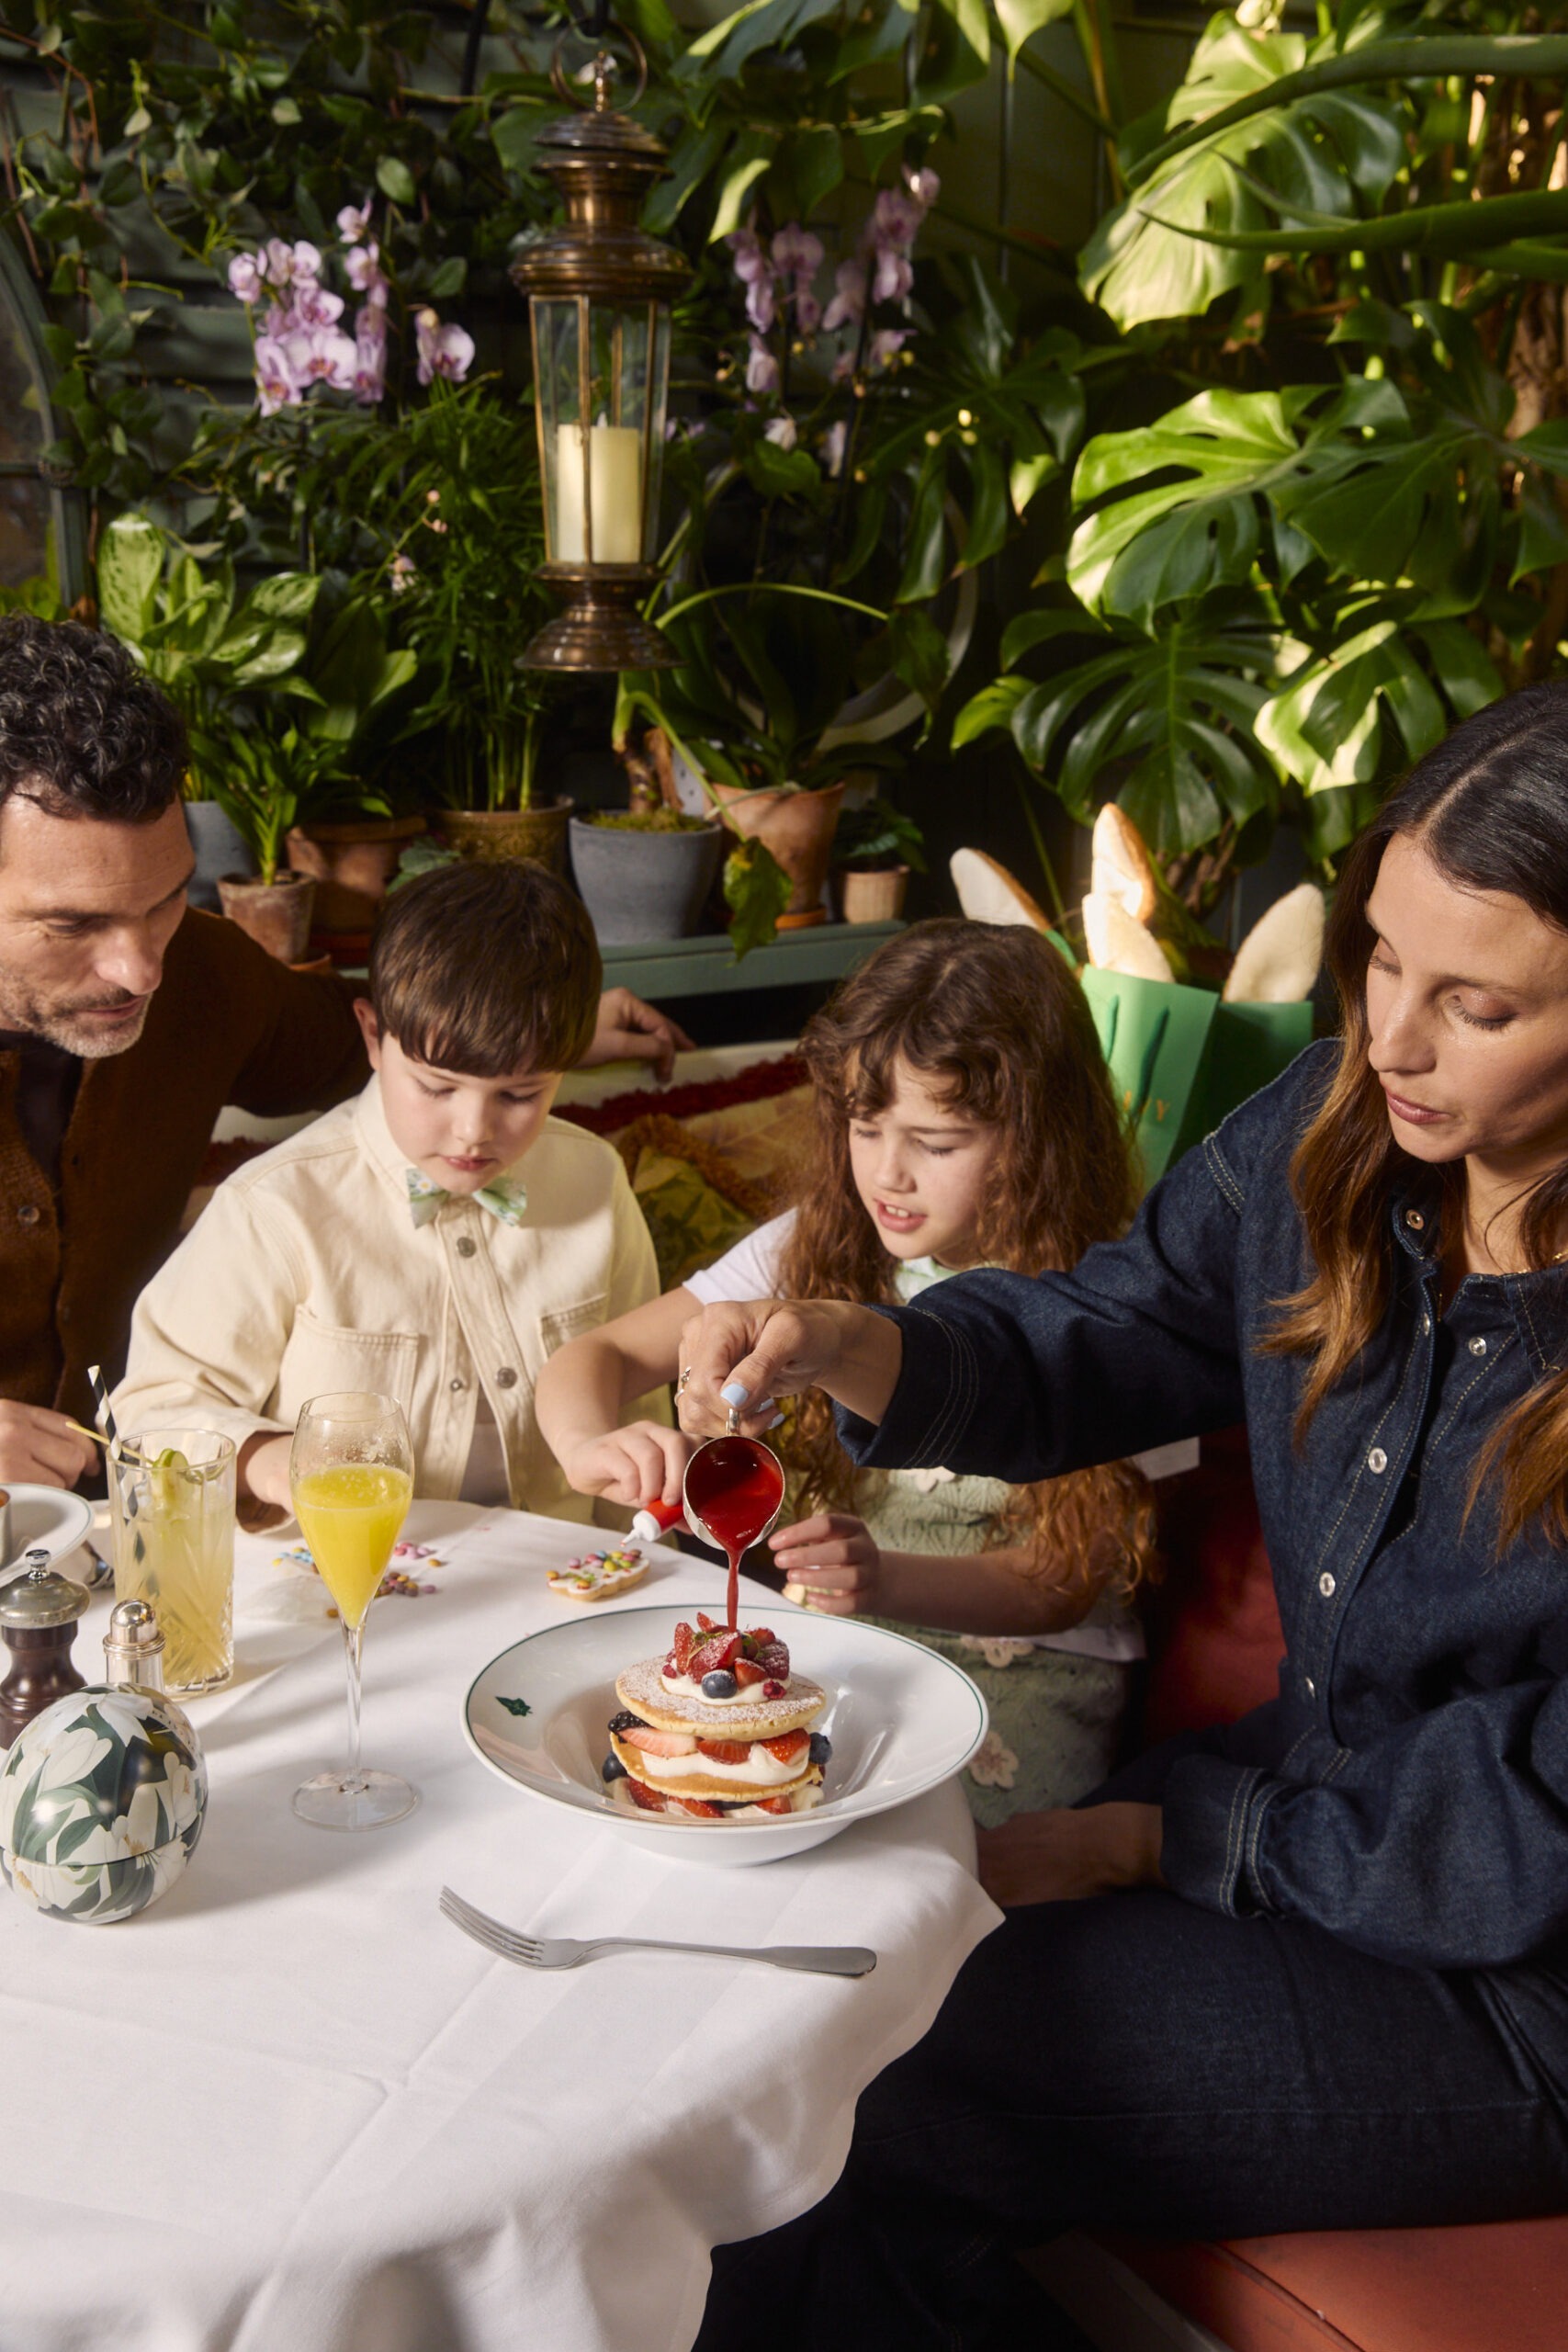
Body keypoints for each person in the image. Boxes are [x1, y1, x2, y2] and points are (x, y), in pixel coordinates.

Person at [678, 684, 1568, 2350]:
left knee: (881, 2068)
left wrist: (1161, 1841)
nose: (1390, 1041)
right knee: (795, 1961)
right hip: (1307, 1815)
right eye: (1379, 961)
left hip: (1514, 1985)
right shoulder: (1332, 1130)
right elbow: (1102, 1327)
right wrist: (850, 1340)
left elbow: (1532, 1816)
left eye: (1477, 1007)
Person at [0, 613, 689, 1491]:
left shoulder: (204, 976)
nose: (142, 969)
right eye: (73, 924)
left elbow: (379, 1038)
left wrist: (548, 1033)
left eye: (166, 899)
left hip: (136, 1523)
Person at [536, 921, 1158, 1820]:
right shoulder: (813, 1246)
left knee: (893, 1846)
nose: (888, 1176)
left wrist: (885, 1578)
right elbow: (592, 1358)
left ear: (1038, 1137)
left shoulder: (1115, 1290)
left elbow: (1067, 1580)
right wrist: (589, 1442)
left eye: (937, 1143)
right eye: (866, 1128)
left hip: (1024, 1667)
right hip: (840, 1643)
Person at [114, 859, 668, 1521]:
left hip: (563, 1572)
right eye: (436, 1087)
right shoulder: (276, 1207)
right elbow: (152, 1412)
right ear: (374, 1037)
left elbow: (639, 1415)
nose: (473, 1132)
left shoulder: (596, 1179)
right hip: (336, 1577)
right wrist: (271, 1460)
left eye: (519, 1095)